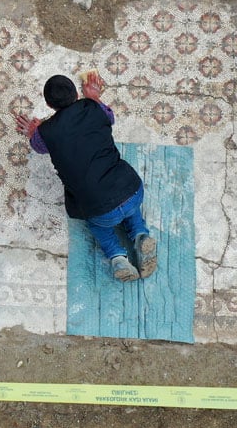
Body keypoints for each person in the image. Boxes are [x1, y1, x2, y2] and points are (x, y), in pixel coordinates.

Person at [13, 72, 157, 282]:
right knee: (131, 209)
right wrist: (94, 96)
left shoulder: (46, 132)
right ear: (76, 94)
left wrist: (34, 130)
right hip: (131, 188)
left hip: (99, 209)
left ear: (48, 104)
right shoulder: (93, 107)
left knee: (100, 227)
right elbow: (110, 117)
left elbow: (38, 146)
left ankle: (118, 258)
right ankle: (140, 236)